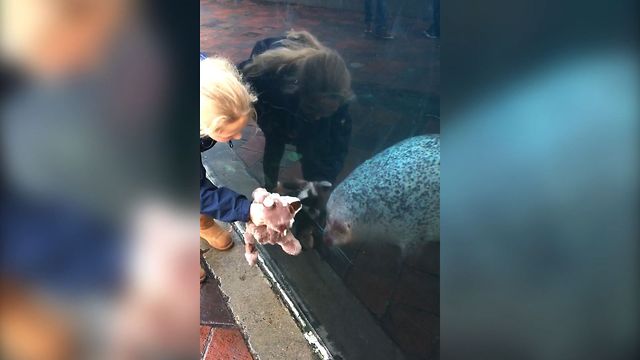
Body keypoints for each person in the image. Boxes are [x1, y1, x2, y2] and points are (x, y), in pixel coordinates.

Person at [238, 30, 354, 193]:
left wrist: (323, 183)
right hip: (274, 109)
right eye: (314, 110)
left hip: (292, 105)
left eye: (327, 113)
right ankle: (269, 186)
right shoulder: (267, 81)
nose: (319, 117)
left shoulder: (338, 95)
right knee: (274, 142)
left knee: (312, 146)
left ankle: (310, 192)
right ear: (298, 91)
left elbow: (338, 145)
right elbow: (228, 80)